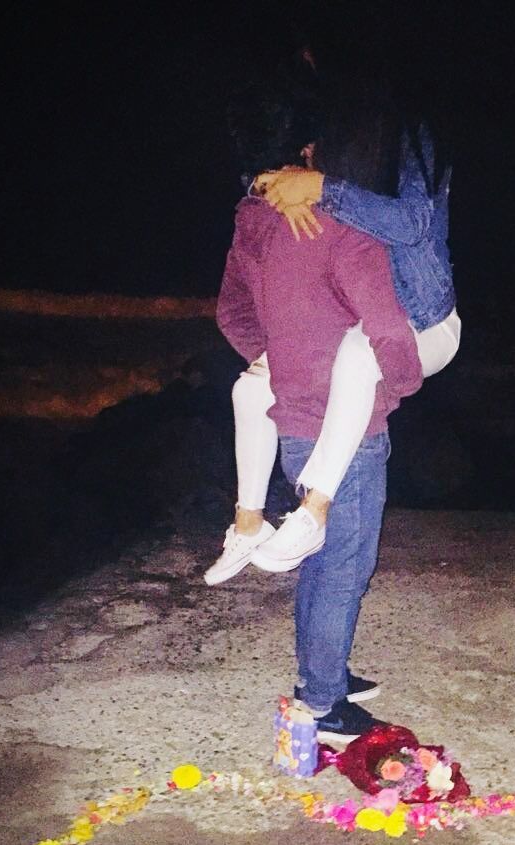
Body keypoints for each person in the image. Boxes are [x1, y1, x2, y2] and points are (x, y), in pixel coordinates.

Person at [214, 87, 422, 744]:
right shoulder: (342, 228)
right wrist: (404, 383)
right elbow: (387, 328)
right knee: (344, 565)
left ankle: (322, 670)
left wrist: (277, 363)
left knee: (320, 556)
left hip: (292, 422)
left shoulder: (251, 225)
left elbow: (233, 316)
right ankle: (325, 702)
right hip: (347, 431)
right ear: (307, 154)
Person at [204, 76, 459, 585]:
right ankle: (248, 522)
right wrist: (269, 185)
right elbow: (258, 168)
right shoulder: (322, 169)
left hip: (424, 322)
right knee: (251, 384)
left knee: (361, 355)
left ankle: (314, 510)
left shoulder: (411, 140)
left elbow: (411, 224)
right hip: (364, 329)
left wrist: (320, 189)